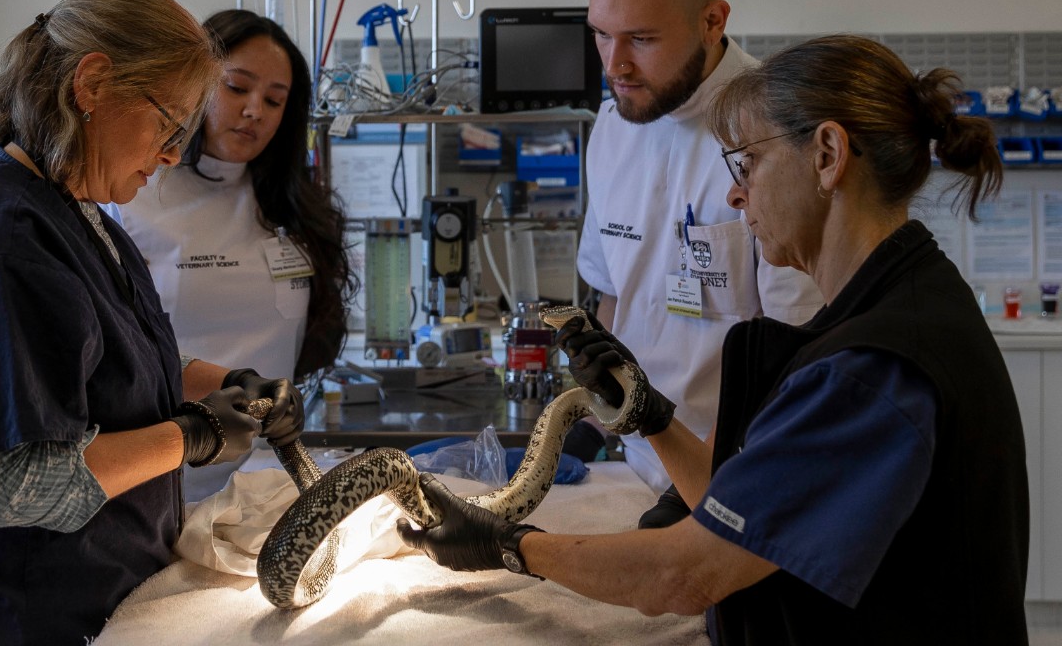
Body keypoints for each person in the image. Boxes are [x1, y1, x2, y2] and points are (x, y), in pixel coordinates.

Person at [398, 33, 1029, 644]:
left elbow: (685, 573)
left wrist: (508, 545)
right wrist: (649, 415)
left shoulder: (873, 369)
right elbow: (752, 508)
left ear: (828, 156)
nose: (735, 190)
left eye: (749, 162)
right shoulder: (891, 304)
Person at [0, 0, 305, 645]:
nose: (176, 153)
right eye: (167, 123)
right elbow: (0, 486)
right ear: (92, 85)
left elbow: (111, 354)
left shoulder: (76, 214)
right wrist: (193, 435)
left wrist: (229, 384)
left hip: (83, 607)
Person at [572, 0, 823, 500]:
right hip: (632, 463)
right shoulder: (612, 130)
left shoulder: (776, 134)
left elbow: (796, 346)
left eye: (641, 39)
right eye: (601, 36)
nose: (616, 65)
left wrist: (711, 483)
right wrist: (589, 424)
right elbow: (616, 297)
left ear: (713, 21)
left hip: (739, 470)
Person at [111, 9, 355, 499]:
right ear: (193, 85)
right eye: (237, 88)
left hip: (266, 474)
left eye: (274, 99)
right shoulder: (131, 196)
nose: (254, 111)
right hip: (162, 472)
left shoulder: (290, 206)